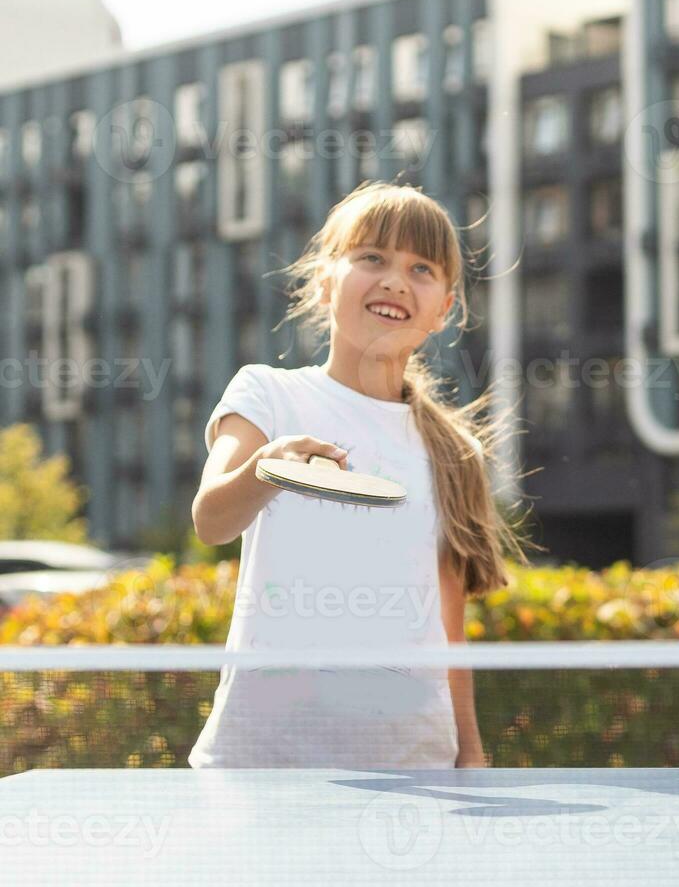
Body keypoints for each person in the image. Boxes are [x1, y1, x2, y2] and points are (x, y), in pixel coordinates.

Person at [189, 182, 525, 769]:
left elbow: (449, 626)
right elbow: (211, 518)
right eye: (372, 258)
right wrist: (268, 470)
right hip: (264, 761)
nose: (395, 280)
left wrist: (471, 754)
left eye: (421, 268)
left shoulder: (455, 451)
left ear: (444, 308)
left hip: (414, 764)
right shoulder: (266, 393)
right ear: (325, 279)